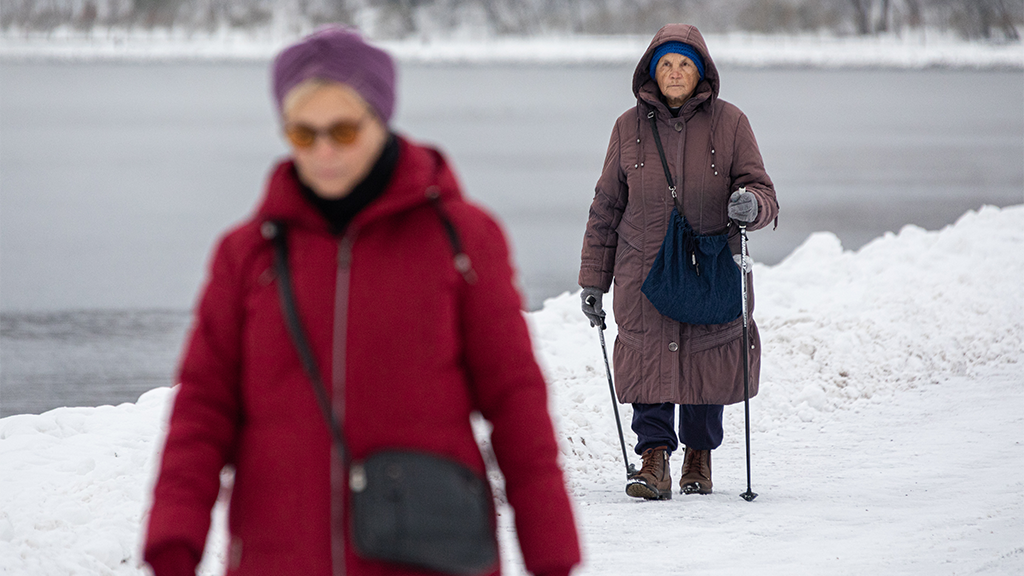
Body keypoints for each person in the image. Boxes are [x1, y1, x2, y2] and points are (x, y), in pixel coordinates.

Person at [143, 26, 580, 576]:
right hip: (279, 556)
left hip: (428, 556)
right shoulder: (248, 255)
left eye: (344, 130)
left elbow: (514, 398)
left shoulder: (462, 240)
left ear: (381, 118)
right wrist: (172, 541)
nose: (324, 152)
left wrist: (552, 551)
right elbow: (203, 409)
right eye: (304, 134)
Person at [579, 24, 778, 501]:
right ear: (651, 69)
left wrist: (751, 203)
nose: (674, 73)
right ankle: (652, 460)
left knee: (706, 357)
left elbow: (763, 189)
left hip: (706, 266)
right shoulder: (627, 127)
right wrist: (592, 281)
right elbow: (606, 206)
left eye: (684, 64)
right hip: (642, 269)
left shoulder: (731, 123)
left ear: (701, 71)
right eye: (665, 63)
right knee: (649, 357)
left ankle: (699, 455)